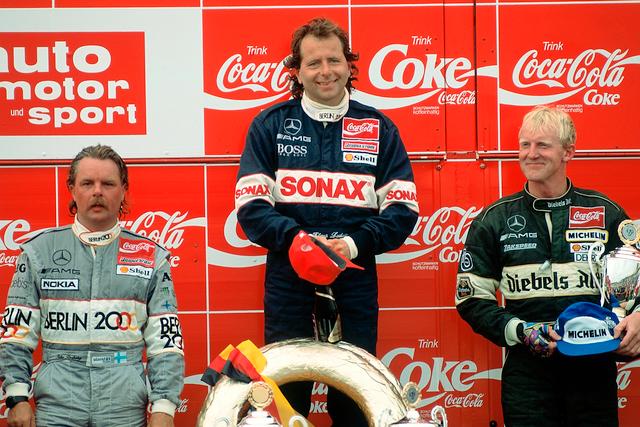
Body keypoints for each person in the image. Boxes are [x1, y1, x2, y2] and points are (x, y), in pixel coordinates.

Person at [234, 17, 419, 426]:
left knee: (354, 398)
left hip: (354, 276)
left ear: (350, 66)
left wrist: (351, 245)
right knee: (286, 398)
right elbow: (251, 207)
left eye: (334, 60)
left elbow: (403, 211)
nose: (325, 71)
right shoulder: (270, 125)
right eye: (313, 62)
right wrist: (299, 241)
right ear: (296, 71)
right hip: (289, 279)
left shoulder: (378, 127)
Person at [455, 105, 640, 426]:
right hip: (528, 375)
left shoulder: (606, 212)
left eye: (542, 145)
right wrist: (521, 331)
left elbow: (635, 289)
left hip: (593, 370)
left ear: (568, 151)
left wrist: (637, 318)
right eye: (524, 145)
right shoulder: (494, 219)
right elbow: (471, 299)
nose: (531, 154)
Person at [0, 145, 184, 427]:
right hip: (58, 409)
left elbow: (166, 341)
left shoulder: (152, 257)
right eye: (87, 183)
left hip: (123, 409)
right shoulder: (38, 252)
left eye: (108, 183)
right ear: (72, 189)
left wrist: (164, 407)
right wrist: (16, 397)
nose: (97, 191)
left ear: (123, 190)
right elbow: (16, 333)